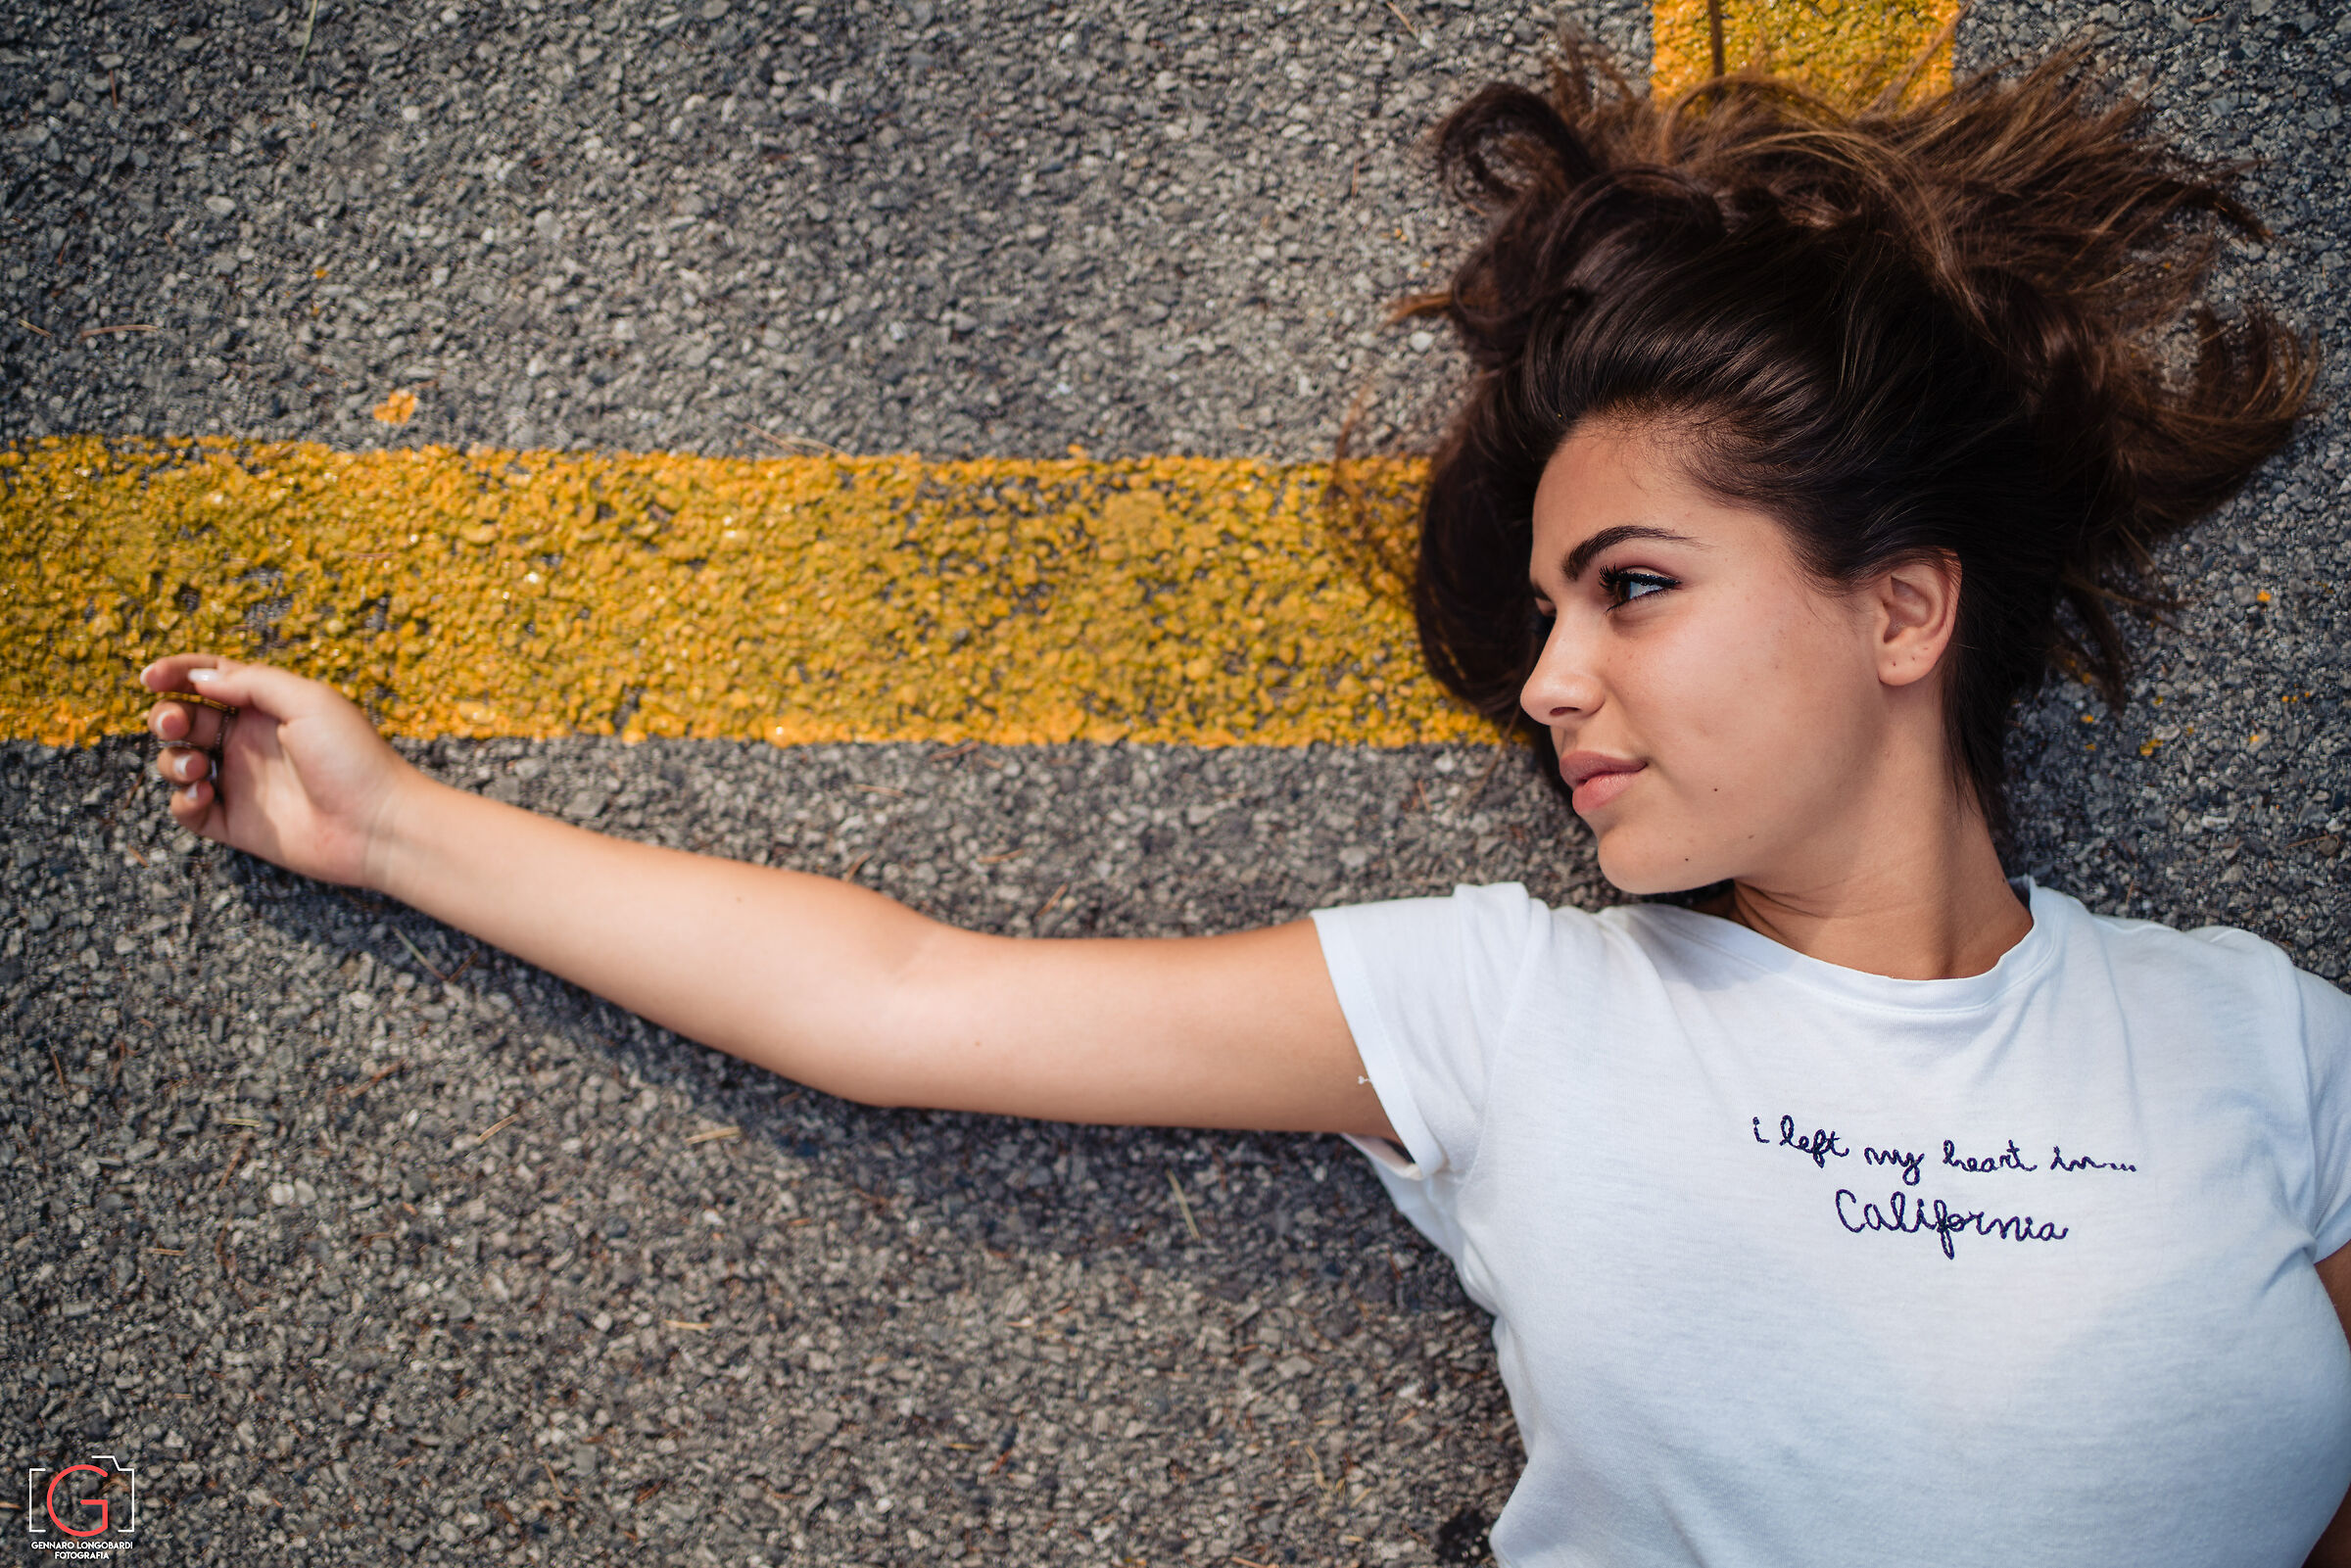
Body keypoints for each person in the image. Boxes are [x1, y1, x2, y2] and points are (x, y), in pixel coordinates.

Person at [138, 40, 2349, 1568]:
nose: (1552, 675)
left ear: (1901, 610)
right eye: (1549, 608)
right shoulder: (1520, 1013)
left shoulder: (2268, 1047)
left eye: (1637, 589)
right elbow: (907, 1006)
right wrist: (388, 823)